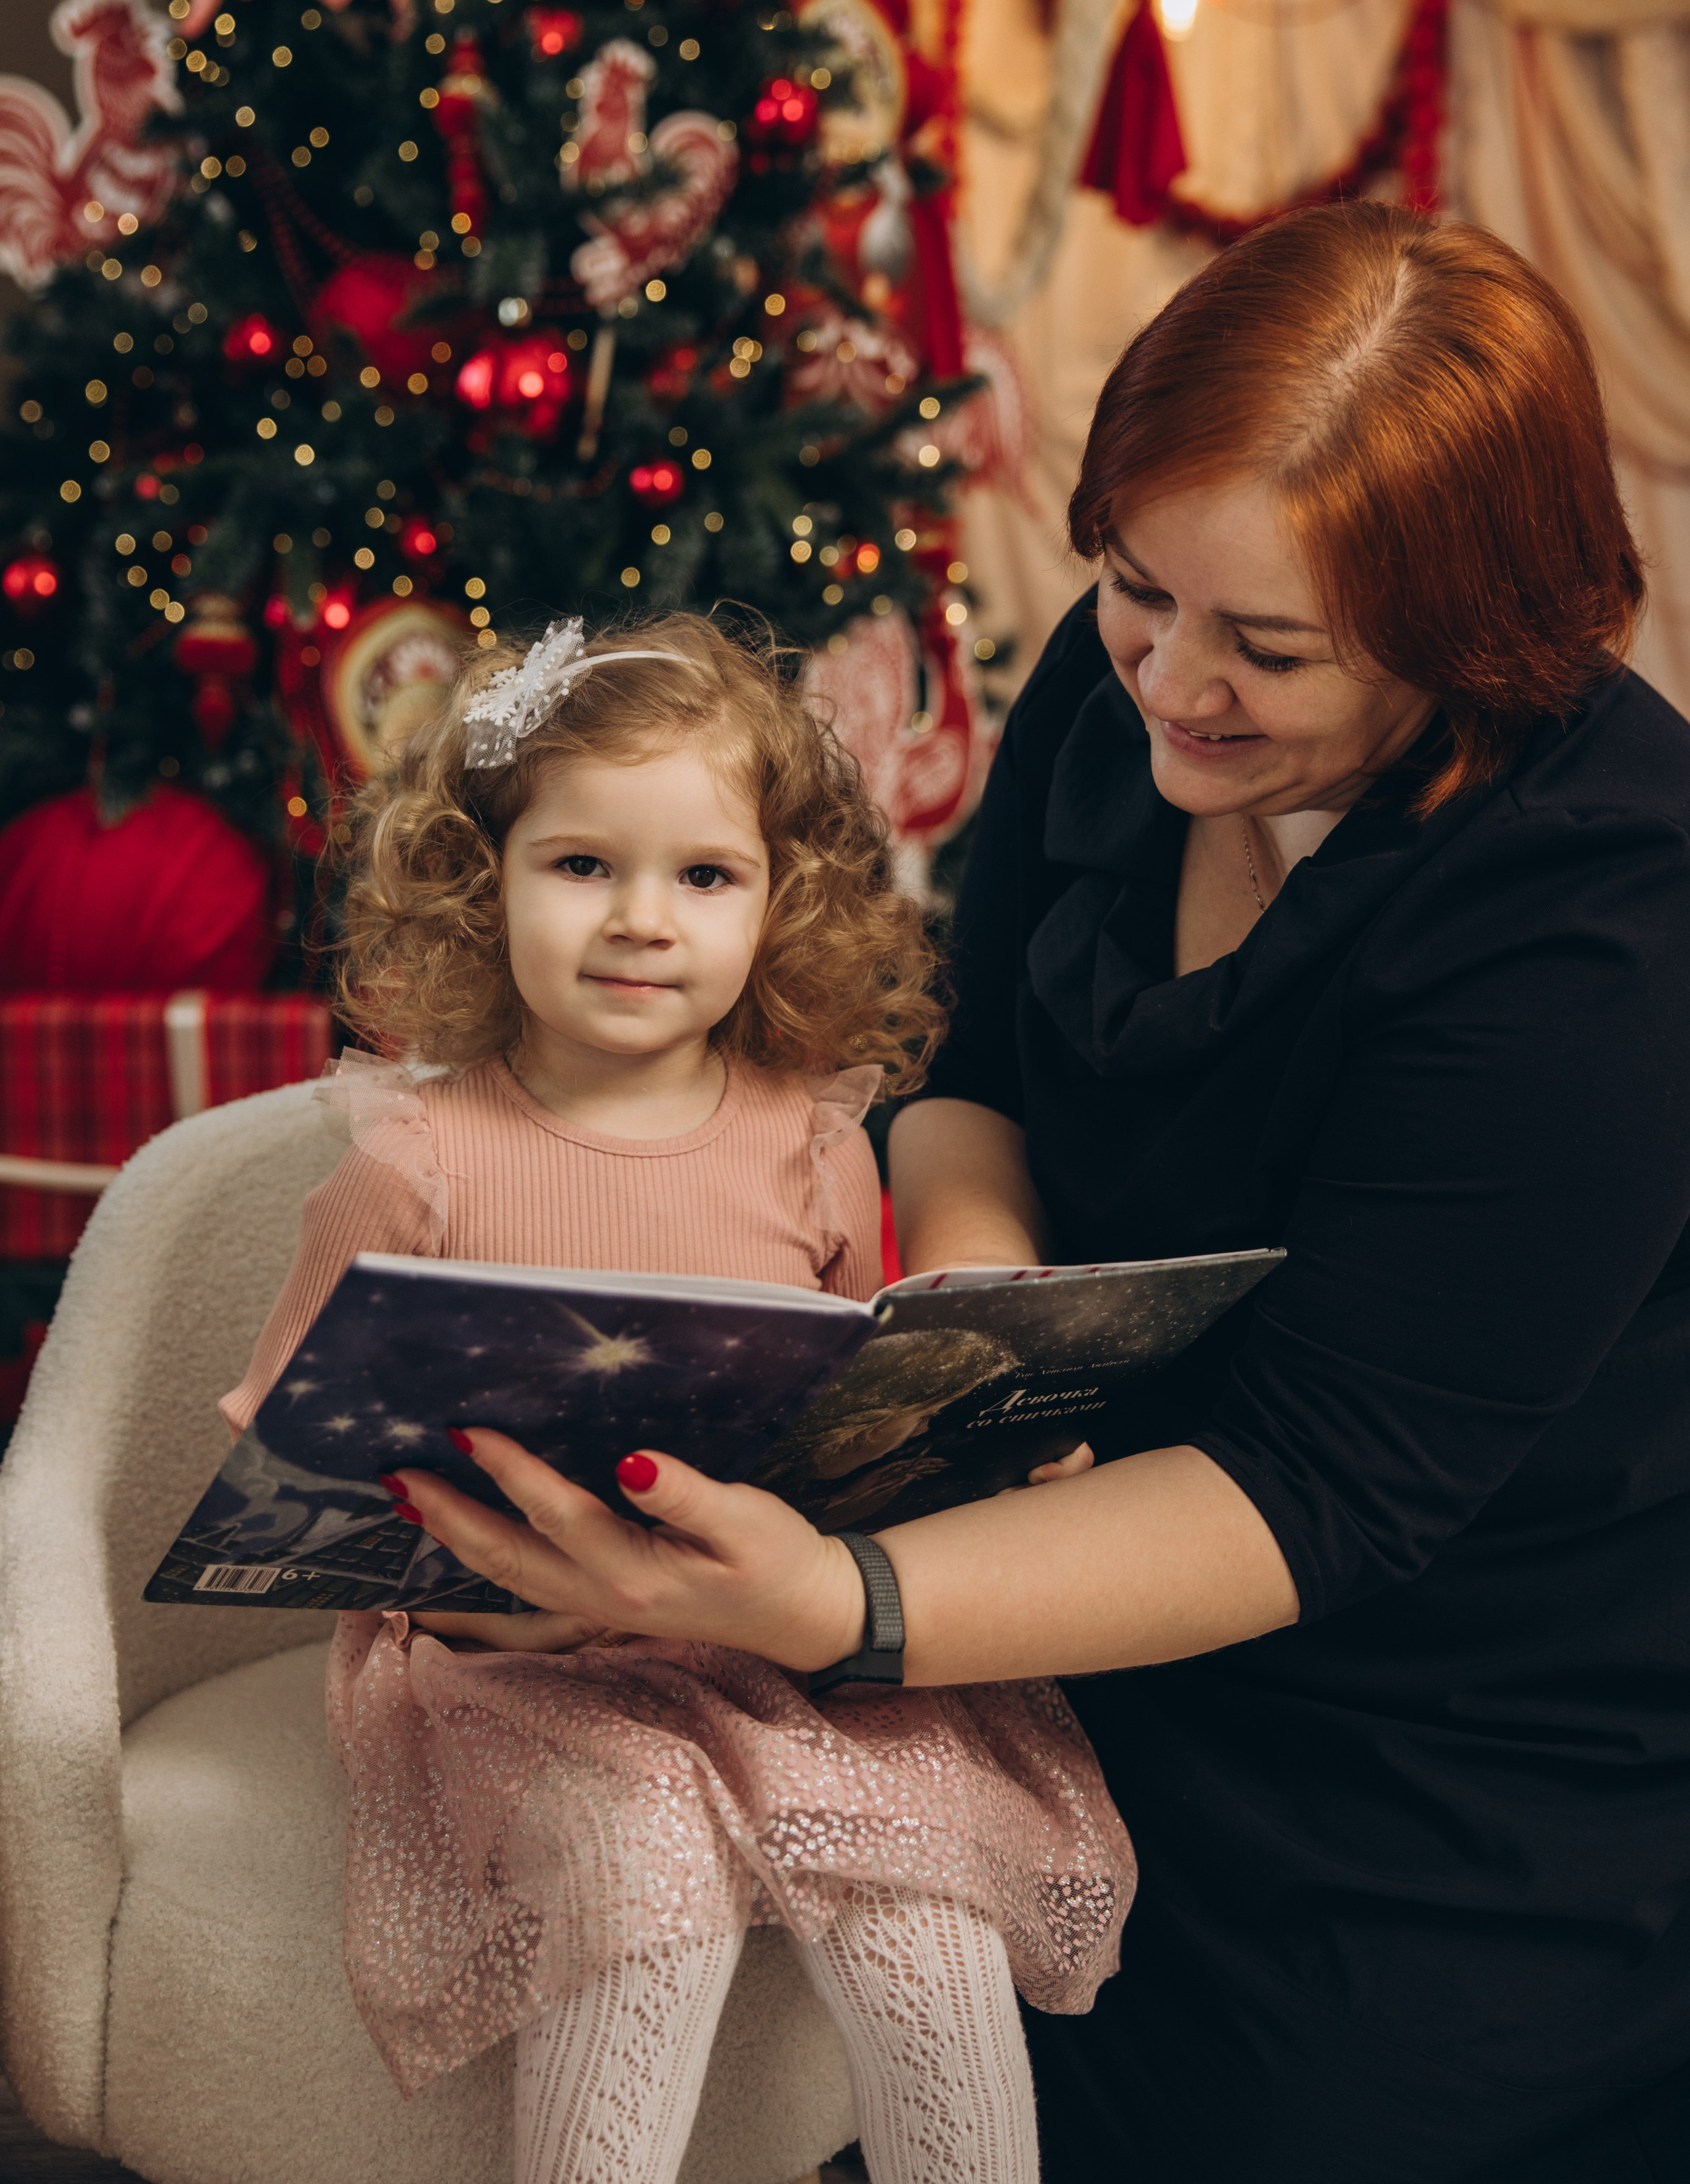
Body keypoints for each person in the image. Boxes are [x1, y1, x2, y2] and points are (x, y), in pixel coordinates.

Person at [395, 207, 1690, 2183]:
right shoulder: (1131, 698)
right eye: (1133, 590)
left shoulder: (1609, 920)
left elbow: (1328, 1486)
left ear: (1476, 632)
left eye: (1268, 649)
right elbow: (970, 1064)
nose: (1173, 682)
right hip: (1057, 1555)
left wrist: (851, 1602)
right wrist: (993, 1336)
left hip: (1449, 1710)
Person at [219, 610, 1135, 2184]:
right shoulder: (412, 1166)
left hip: (779, 1645)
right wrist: (500, 1611)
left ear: (779, 904)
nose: (643, 921)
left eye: (703, 877)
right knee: (643, 1888)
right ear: (481, 878)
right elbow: (297, 1474)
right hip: (519, 1665)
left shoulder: (816, 1147)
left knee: (926, 1928)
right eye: (581, 866)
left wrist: (995, 1453)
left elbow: (866, 1417)